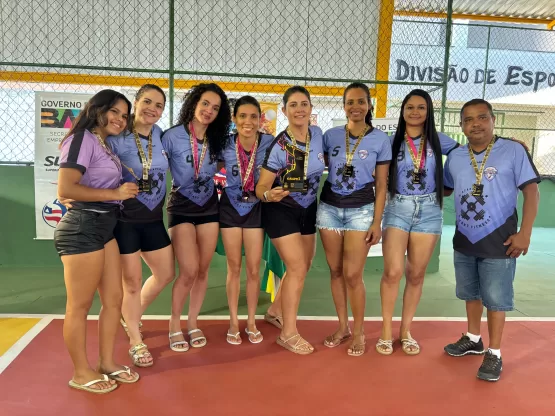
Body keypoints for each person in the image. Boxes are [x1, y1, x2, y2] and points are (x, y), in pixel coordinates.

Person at [443, 99, 540, 382]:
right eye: (469, 119)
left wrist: (526, 233)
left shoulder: (513, 151)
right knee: (471, 293)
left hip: (501, 241)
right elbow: (446, 190)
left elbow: (532, 192)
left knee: (496, 300)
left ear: (493, 119)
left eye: (482, 117)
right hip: (465, 238)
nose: (476, 124)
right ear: (461, 126)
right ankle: (474, 338)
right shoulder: (457, 157)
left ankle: (495, 353)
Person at [55, 89, 140, 394]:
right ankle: (80, 372)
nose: (120, 118)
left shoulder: (104, 145)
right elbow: (66, 187)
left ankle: (106, 362)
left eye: (124, 114)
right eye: (115, 111)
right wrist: (115, 193)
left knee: (113, 300)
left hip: (106, 225)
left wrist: (120, 191)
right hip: (83, 227)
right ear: (98, 110)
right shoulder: (81, 139)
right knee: (79, 305)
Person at [377, 89, 460, 356]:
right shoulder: (391, 142)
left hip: (429, 210)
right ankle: (387, 332)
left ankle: (406, 331)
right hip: (398, 207)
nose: (415, 112)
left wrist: (447, 182)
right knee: (392, 272)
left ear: (428, 112)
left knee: (416, 274)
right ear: (402, 111)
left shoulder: (438, 140)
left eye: (421, 107)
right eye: (409, 107)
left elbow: (466, 153)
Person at [317, 83, 391, 356]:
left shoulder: (380, 140)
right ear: (343, 106)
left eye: (361, 101)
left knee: (352, 274)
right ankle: (343, 327)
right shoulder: (330, 135)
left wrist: (376, 221)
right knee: (335, 271)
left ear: (369, 106)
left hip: (361, 211)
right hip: (329, 209)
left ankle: (359, 331)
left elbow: (382, 184)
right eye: (350, 102)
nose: (355, 107)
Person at [106, 84, 177, 366]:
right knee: (132, 283)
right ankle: (136, 341)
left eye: (159, 105)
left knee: (165, 273)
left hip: (153, 218)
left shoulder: (160, 136)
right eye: (147, 101)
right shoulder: (116, 139)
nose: (153, 109)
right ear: (136, 103)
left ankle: (130, 316)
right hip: (125, 220)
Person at [255, 85, 326, 355]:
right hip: (281, 210)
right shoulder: (278, 146)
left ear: (310, 109)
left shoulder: (318, 135)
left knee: (304, 264)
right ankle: (288, 333)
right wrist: (268, 194)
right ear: (284, 111)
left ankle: (275, 312)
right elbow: (261, 188)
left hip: (308, 209)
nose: (300, 109)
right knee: (296, 267)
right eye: (293, 105)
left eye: (304, 104)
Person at [162, 83, 231, 350]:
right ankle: (174, 325)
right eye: (205, 104)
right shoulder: (171, 136)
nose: (209, 111)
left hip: (209, 206)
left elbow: (229, 165)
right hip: (180, 206)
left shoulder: (219, 140)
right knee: (188, 270)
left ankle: (192, 323)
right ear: (193, 104)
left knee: (202, 270)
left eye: (215, 108)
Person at [220, 96, 274, 345]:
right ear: (234, 119)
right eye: (242, 116)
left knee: (253, 268)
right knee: (234, 267)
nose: (248, 122)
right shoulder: (224, 144)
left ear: (260, 119)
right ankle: (233, 322)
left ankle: (250, 322)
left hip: (256, 208)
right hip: (230, 206)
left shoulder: (270, 144)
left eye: (253, 116)